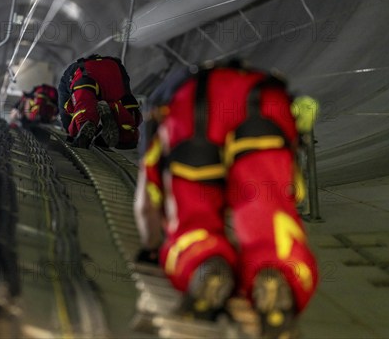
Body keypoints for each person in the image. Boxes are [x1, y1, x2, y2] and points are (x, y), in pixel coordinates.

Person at [134, 60, 319, 338]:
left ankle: (204, 264)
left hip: (195, 111)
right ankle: (275, 276)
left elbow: (145, 203)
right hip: (266, 105)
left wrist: (151, 246)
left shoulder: (171, 105)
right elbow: (292, 191)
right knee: (270, 218)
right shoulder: (263, 85)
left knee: (193, 220)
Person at [58, 54, 142, 149]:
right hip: (114, 69)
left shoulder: (70, 73)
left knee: (83, 105)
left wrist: (69, 133)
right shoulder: (114, 65)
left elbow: (64, 111)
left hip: (86, 74)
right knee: (124, 110)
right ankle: (120, 128)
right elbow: (128, 99)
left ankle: (85, 123)